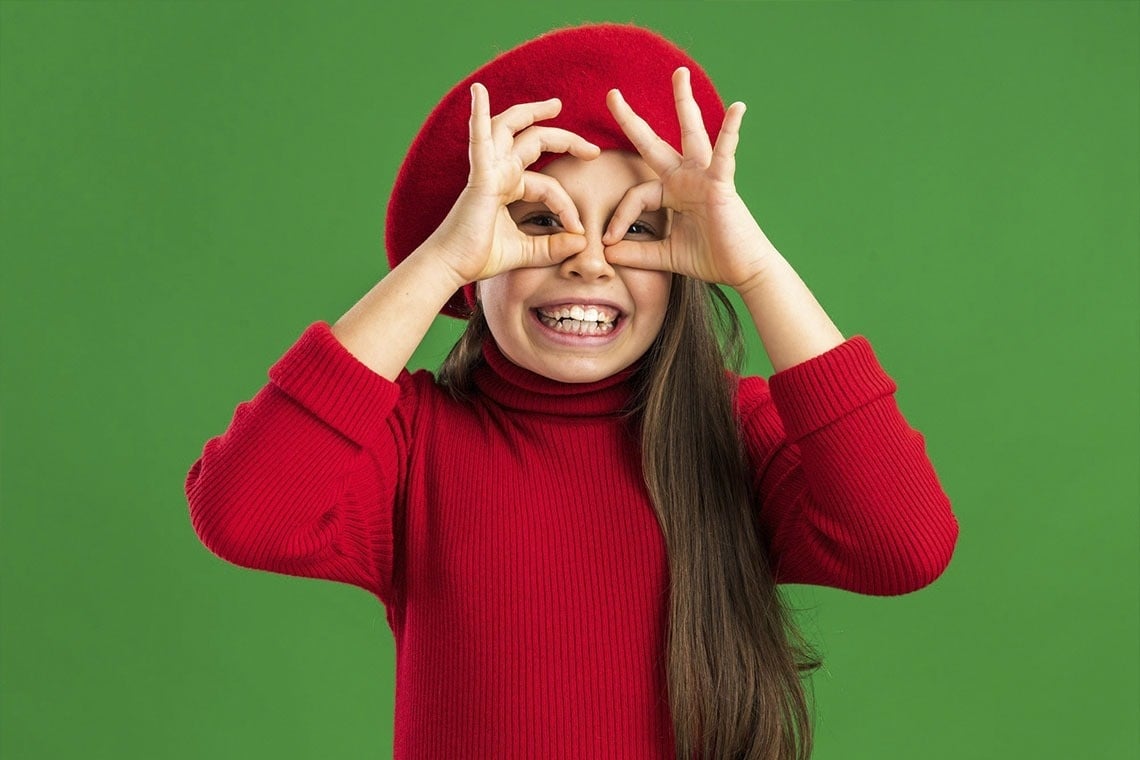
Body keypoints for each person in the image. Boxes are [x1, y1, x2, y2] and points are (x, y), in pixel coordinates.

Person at [185, 22, 959, 760]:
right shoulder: (414, 443)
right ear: (473, 268)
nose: (588, 262)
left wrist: (759, 270)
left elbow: (905, 545)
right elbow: (242, 514)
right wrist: (437, 263)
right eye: (536, 221)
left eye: (639, 229)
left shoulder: (736, 434)